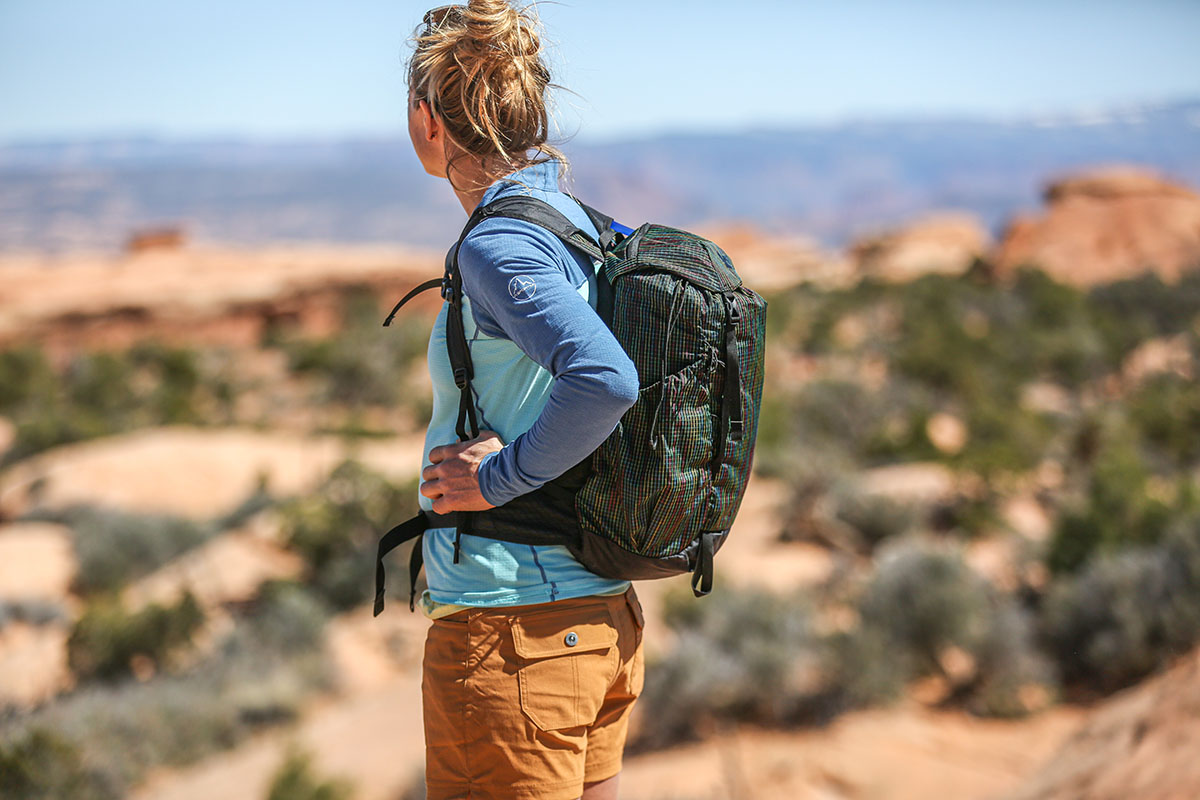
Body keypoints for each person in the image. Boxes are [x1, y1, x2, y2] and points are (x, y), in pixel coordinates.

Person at [404, 2, 645, 798]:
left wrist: (496, 478)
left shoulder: (500, 241)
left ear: (428, 121)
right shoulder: (571, 221)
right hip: (591, 621)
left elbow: (605, 379)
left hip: (512, 636)